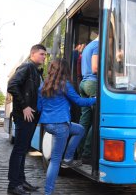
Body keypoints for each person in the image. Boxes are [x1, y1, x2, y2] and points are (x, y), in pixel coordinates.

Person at [37, 59, 96, 195]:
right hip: (61, 125)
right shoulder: (65, 85)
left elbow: (39, 107)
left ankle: (68, 158)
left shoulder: (42, 86)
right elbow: (79, 101)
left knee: (80, 129)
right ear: (64, 70)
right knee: (55, 160)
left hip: (48, 125)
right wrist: (95, 99)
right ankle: (48, 192)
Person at [7, 44, 46, 195]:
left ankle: (21, 181)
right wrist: (24, 106)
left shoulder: (36, 71)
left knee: (23, 149)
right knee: (19, 150)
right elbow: (12, 85)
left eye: (45, 54)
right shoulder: (27, 67)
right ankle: (13, 186)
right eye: (42, 54)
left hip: (32, 116)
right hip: (25, 115)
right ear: (33, 54)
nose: (44, 57)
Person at [77, 36, 98, 164]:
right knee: (97, 120)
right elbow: (95, 68)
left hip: (84, 84)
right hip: (93, 84)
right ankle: (87, 154)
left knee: (84, 120)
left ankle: (79, 151)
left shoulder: (88, 46)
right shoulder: (97, 45)